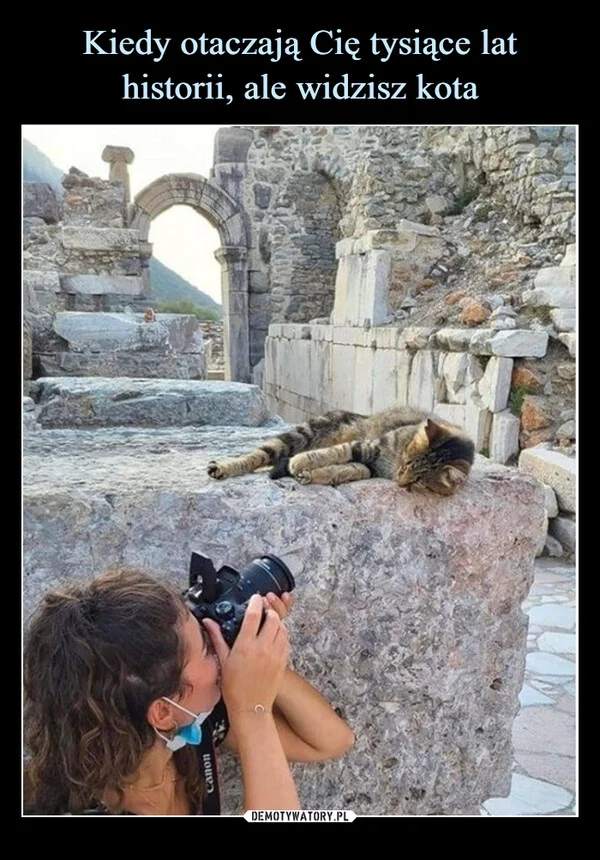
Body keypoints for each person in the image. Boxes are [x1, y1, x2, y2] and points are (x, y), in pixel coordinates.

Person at [23, 568, 355, 815]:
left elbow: (330, 740)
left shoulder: (187, 735)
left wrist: (254, 651)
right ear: (163, 711)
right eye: (209, 648)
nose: (221, 650)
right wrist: (251, 709)